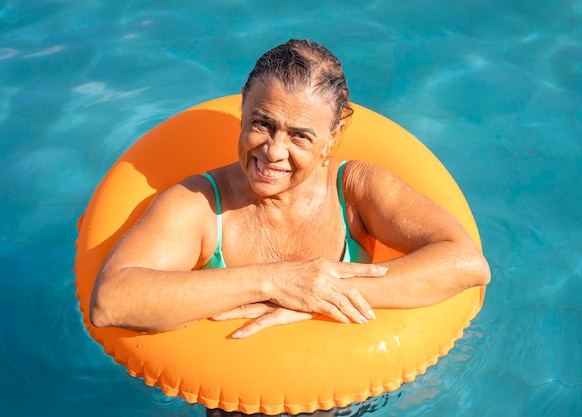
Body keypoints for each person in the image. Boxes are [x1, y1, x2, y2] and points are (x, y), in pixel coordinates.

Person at [90, 39, 490, 416]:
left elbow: (467, 263)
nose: (273, 152)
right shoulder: (198, 204)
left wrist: (319, 293)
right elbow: (112, 301)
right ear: (243, 109)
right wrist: (274, 282)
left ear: (333, 137)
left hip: (353, 395)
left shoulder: (356, 191)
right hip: (232, 404)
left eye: (300, 135)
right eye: (262, 124)